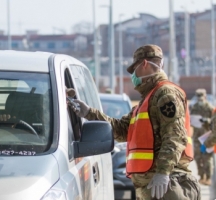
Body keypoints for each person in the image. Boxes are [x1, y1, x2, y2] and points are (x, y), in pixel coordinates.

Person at [70, 44, 201, 200]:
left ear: (144, 64)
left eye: (134, 70)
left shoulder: (166, 93)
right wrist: (88, 113)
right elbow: (122, 129)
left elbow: (175, 136)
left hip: (166, 185)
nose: (133, 76)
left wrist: (163, 173)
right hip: (153, 186)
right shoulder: (148, 99)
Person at [190, 88, 214, 185]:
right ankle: (201, 176)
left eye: (201, 96)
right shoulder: (194, 107)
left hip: (207, 137)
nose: (200, 98)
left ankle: (208, 177)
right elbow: (190, 120)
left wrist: (206, 121)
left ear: (205, 96)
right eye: (198, 97)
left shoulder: (210, 108)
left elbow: (213, 122)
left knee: (207, 158)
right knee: (197, 157)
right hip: (196, 137)